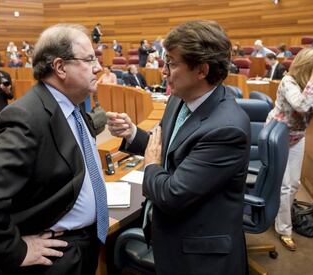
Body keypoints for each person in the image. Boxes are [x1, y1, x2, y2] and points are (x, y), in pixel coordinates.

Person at [0, 24, 108, 275]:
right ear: (60, 67)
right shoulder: (27, 117)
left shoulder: (71, 104)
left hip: (84, 245)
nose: (98, 67)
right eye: (89, 58)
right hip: (56, 257)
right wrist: (15, 251)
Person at [107, 20, 250, 275]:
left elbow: (171, 195)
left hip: (200, 255)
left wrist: (150, 164)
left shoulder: (227, 129)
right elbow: (166, 146)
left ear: (201, 70)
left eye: (172, 63)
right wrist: (132, 134)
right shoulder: (179, 98)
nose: (164, 71)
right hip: (170, 236)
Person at [266, 47, 313, 251]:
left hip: (298, 137)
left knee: (292, 184)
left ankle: (279, 217)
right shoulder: (288, 81)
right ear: (308, 64)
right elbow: (300, 105)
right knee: (282, 184)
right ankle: (284, 229)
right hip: (277, 135)